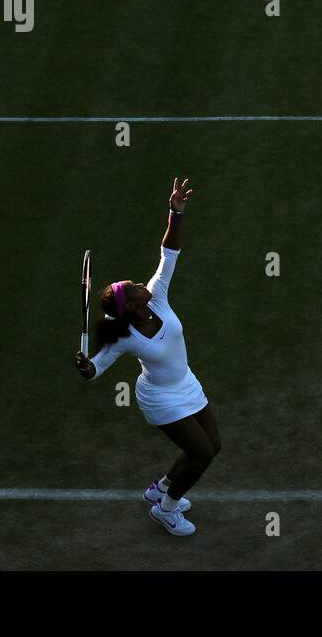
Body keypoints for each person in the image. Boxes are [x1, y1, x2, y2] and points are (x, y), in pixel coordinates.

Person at [74, 178, 219, 537]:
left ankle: (163, 485)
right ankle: (166, 510)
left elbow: (168, 254)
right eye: (134, 288)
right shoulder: (122, 336)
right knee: (200, 454)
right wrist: (85, 366)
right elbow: (96, 371)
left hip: (186, 382)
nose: (141, 284)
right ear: (132, 306)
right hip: (160, 398)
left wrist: (176, 212)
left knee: (214, 446)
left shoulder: (157, 295)